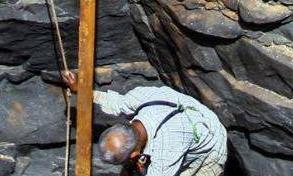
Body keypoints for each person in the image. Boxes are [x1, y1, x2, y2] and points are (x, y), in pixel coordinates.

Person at [57, 69, 228, 176]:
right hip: (187, 123)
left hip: (210, 149)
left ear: (135, 155)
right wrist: (83, 90)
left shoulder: (167, 149)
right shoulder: (140, 97)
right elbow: (115, 102)